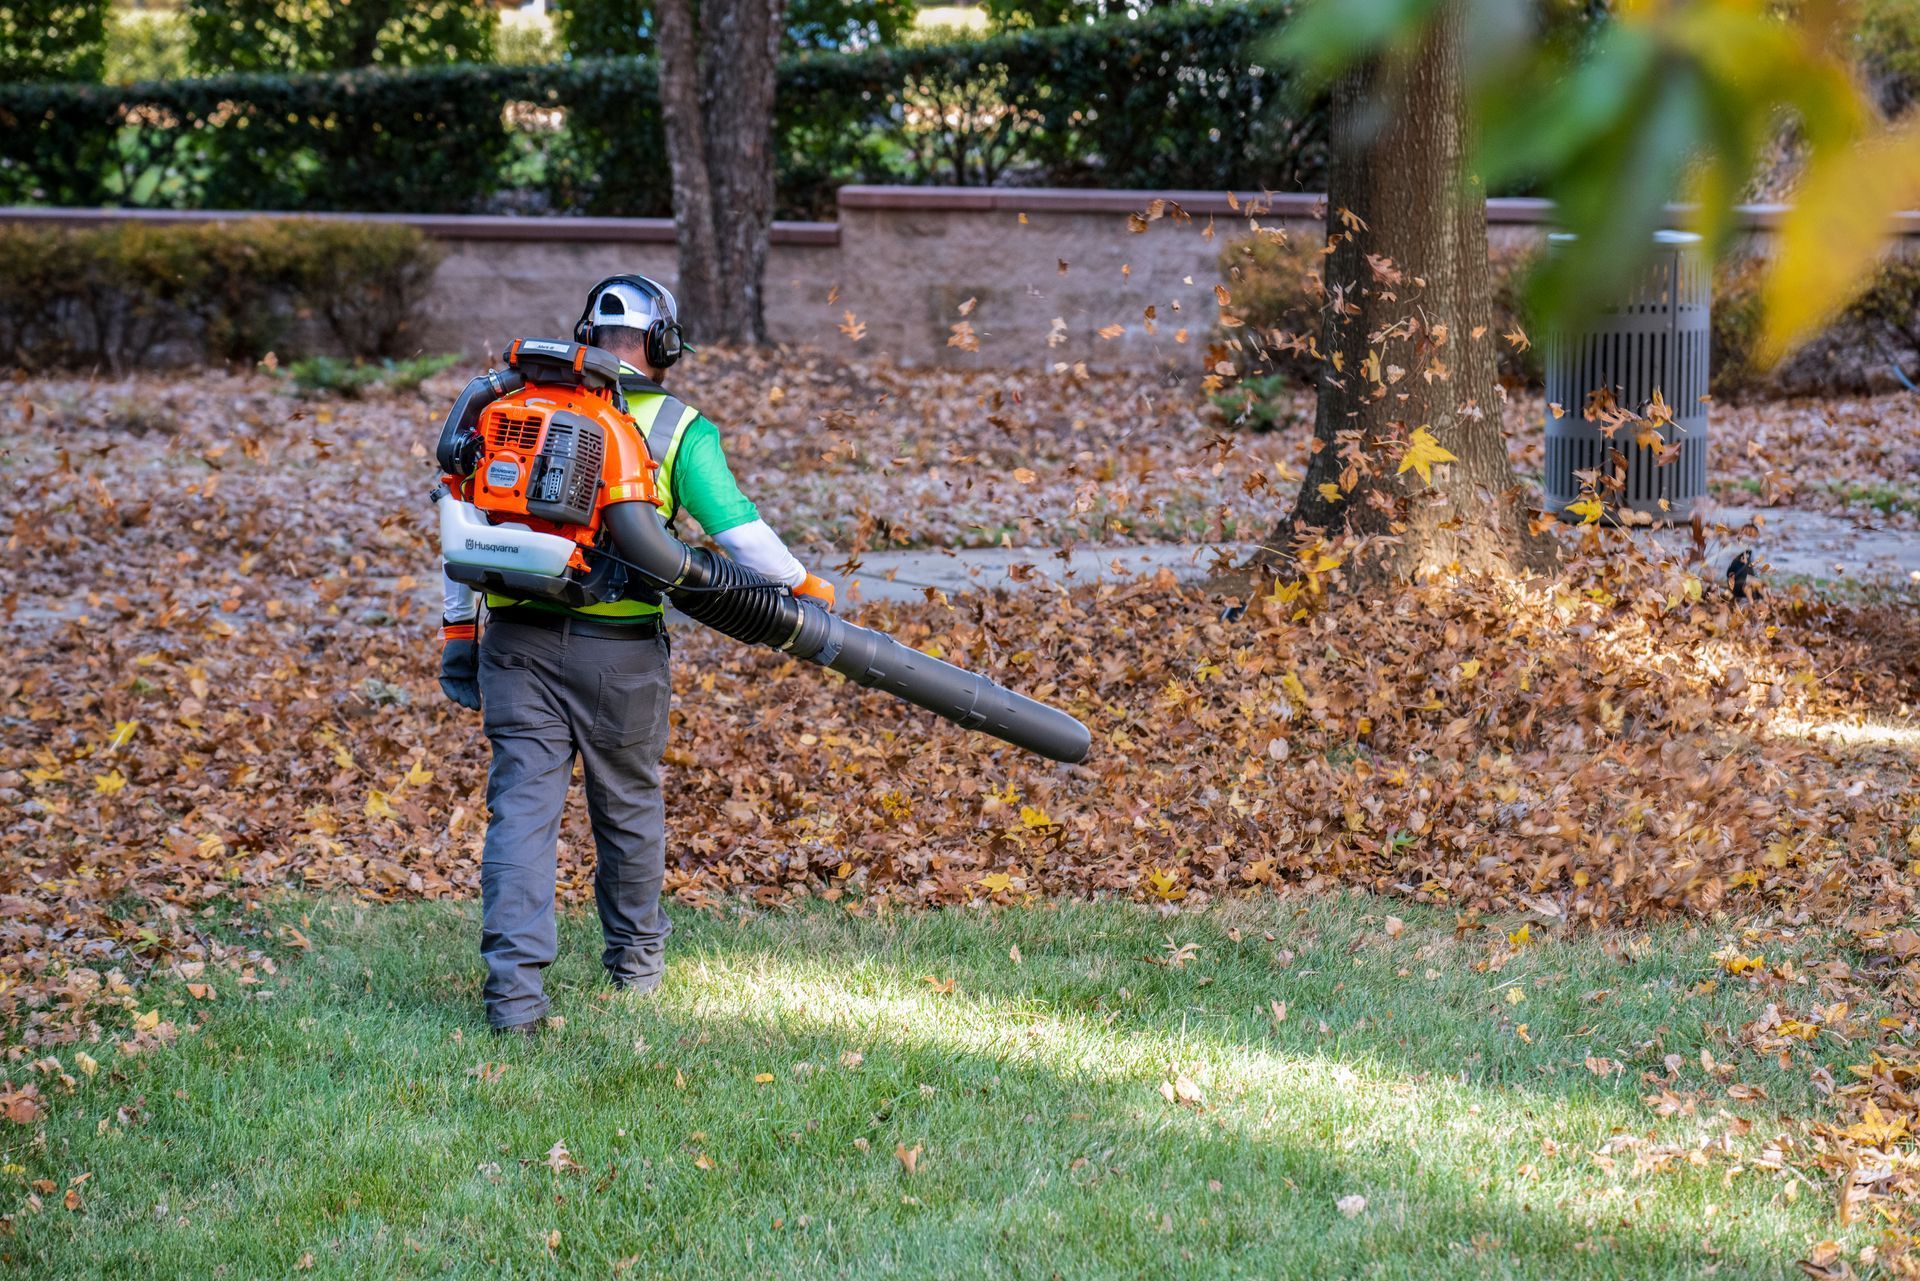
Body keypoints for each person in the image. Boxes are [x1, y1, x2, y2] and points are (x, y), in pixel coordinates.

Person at [436, 274, 836, 1035]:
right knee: (626, 807)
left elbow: (457, 519)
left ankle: (513, 999)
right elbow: (738, 534)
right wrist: (802, 585)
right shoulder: (677, 426)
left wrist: (460, 634)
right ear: (663, 344)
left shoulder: (506, 405)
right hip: (619, 653)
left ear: (585, 333)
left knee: (521, 812)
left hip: (514, 641)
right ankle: (636, 966)